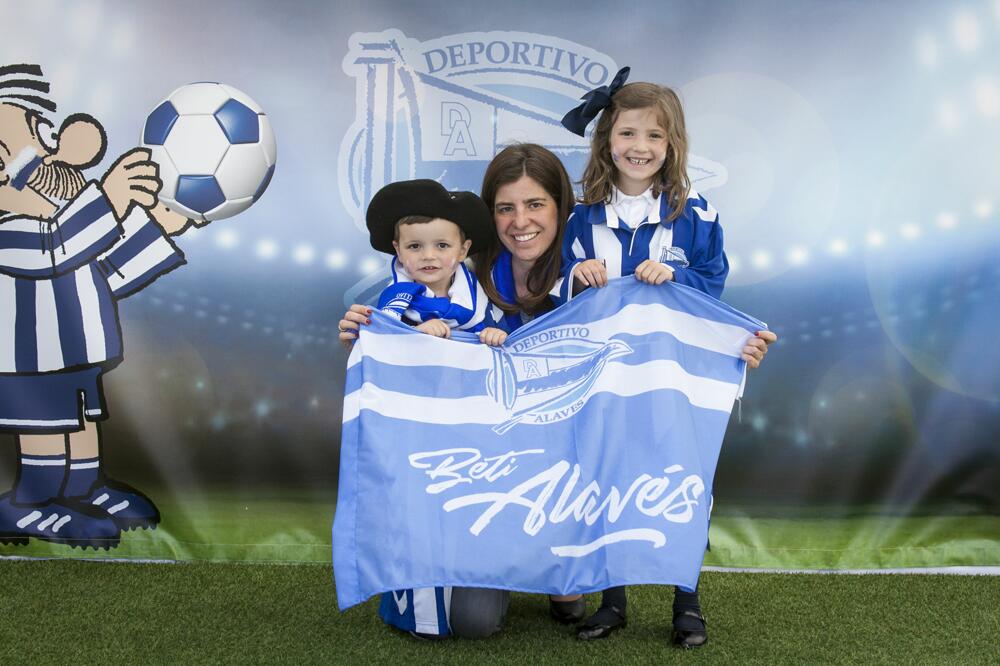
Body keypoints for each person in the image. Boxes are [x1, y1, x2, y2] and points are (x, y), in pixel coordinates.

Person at [338, 144, 775, 639]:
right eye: (505, 208)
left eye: (535, 205)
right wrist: (372, 335)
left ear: (562, 209)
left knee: (568, 584)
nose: (520, 221)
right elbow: (416, 345)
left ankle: (563, 569)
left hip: (568, 467)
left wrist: (728, 349)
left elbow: (657, 337)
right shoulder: (460, 270)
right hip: (485, 467)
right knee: (470, 622)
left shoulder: (594, 277)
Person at [559, 67, 727, 647]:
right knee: (607, 474)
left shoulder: (694, 211)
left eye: (654, 137)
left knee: (679, 477)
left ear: (672, 145)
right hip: (604, 374)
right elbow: (565, 293)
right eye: (628, 134)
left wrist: (676, 274)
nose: (640, 147)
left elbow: (714, 282)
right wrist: (576, 276)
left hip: (672, 376)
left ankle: (687, 598)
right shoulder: (583, 217)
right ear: (608, 139)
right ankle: (612, 599)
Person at [0, 64, 197, 548]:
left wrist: (158, 229)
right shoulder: (9, 228)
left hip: (74, 350)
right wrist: (109, 197)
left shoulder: (63, 222)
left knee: (82, 420)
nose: (40, 163)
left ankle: (83, 487)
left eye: (40, 143)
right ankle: (32, 503)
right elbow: (55, 248)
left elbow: (105, 271)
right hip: (30, 361)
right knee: (46, 427)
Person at [365, 179, 505, 344]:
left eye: (442, 245)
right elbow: (379, 345)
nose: (428, 255)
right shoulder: (394, 302)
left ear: (463, 251)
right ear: (399, 251)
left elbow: (501, 340)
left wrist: (494, 333)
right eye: (415, 246)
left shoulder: (479, 297)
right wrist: (414, 333)